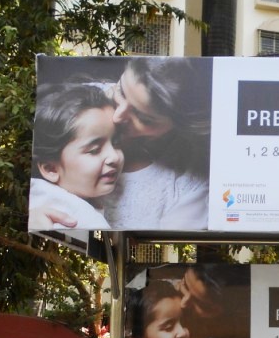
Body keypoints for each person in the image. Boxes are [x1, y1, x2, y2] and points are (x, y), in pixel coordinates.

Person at [39, 58, 209, 231]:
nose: (118, 116)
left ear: (177, 126)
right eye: (120, 91)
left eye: (143, 118)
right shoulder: (70, 104)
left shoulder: (189, 181)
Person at [28, 84, 124, 229]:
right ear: (50, 169)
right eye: (94, 150)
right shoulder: (73, 219)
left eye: (116, 143)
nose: (114, 157)